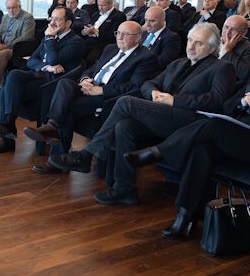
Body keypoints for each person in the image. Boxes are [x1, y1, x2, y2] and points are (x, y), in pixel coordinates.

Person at [44, 24, 236, 205]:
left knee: (126, 102)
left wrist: (174, 100)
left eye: (198, 43)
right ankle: (124, 189)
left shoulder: (221, 67)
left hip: (189, 123)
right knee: (124, 126)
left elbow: (217, 100)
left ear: (212, 48)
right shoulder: (178, 63)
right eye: (190, 40)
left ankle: (87, 155)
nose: (191, 46)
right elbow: (148, 83)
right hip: (163, 116)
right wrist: (153, 92)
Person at [124, 81, 250, 239]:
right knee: (201, 150)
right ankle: (185, 216)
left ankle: (156, 152)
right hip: (238, 135)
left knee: (214, 125)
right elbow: (227, 106)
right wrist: (243, 101)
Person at [23, 21, 157, 162]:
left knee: (67, 106)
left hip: (107, 97)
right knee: (64, 83)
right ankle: (52, 126)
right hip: (89, 87)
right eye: (118, 33)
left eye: (125, 34)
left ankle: (55, 157)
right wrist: (85, 79)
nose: (120, 37)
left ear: (137, 38)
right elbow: (91, 69)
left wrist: (101, 90)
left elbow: (134, 87)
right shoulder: (110, 48)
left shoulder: (145, 57)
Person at [0, 6, 84, 154]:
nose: (52, 22)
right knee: (13, 75)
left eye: (57, 19)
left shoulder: (75, 41)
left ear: (68, 23)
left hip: (52, 83)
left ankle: (7, 138)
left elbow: (54, 59)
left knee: (7, 91)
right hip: (40, 73)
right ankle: (9, 124)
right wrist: (46, 67)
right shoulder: (48, 36)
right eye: (51, 18)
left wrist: (50, 38)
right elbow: (32, 60)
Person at [0, 0, 35, 90]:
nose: (11, 10)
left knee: (3, 53)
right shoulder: (5, 17)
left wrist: (5, 46)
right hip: (2, 44)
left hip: (17, 48)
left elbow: (26, 37)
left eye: (13, 7)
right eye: (8, 8)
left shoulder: (27, 18)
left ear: (19, 7)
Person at [81, 0, 126, 65]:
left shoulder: (119, 16)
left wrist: (96, 32)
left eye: (103, 5)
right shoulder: (96, 14)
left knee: (91, 58)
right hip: (89, 41)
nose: (100, 8)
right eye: (99, 5)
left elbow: (114, 35)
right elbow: (89, 27)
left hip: (104, 44)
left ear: (111, 4)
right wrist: (85, 31)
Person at [141, 6, 182, 70]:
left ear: (162, 20)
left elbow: (163, 63)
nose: (147, 24)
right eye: (146, 20)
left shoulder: (171, 38)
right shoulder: (144, 34)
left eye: (152, 21)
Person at [218, 14, 250, 81]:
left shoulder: (247, 48)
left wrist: (226, 51)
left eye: (234, 29)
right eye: (226, 27)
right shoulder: (214, 40)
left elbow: (244, 74)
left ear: (243, 33)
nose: (228, 32)